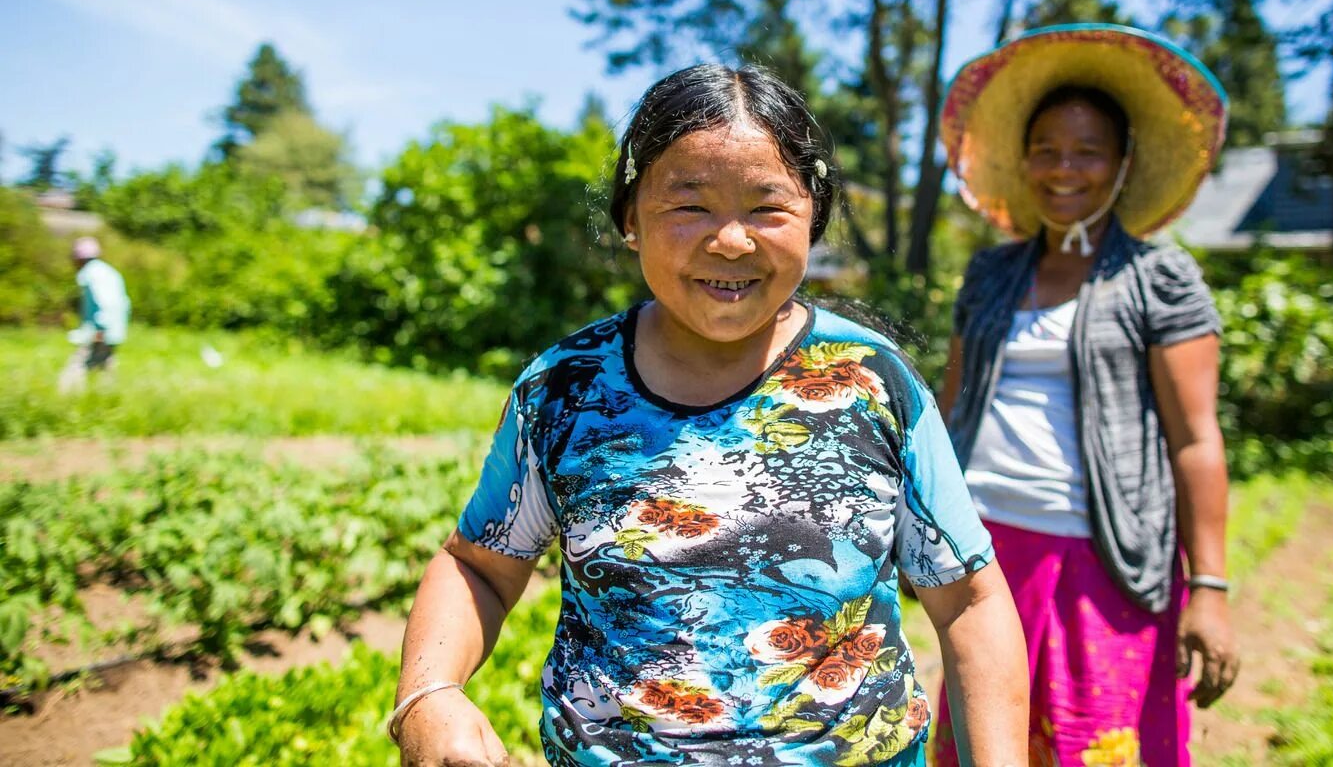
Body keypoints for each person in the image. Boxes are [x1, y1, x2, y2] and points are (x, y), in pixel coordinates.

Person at [391, 64, 1029, 767]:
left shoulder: (872, 384)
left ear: (813, 214)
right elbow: (478, 565)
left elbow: (969, 601)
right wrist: (429, 693)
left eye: (766, 208)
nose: (730, 241)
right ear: (630, 217)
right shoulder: (565, 390)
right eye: (689, 205)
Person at [931, 25, 1240, 767]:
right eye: (1047, 150)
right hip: (987, 554)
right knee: (988, 740)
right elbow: (947, 412)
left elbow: (1195, 438)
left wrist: (1211, 587)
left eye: (1087, 151)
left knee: (1093, 743)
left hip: (1102, 559)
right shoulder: (991, 276)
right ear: (1025, 159)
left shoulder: (1158, 281)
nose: (1064, 169)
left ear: (1123, 163)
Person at [58, 235, 131, 393]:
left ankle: (66, 396)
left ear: (80, 258)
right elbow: (124, 303)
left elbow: (104, 302)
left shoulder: (90, 274)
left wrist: (100, 328)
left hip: (100, 331)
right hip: (116, 330)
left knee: (77, 365)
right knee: (105, 366)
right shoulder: (109, 272)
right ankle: (108, 399)